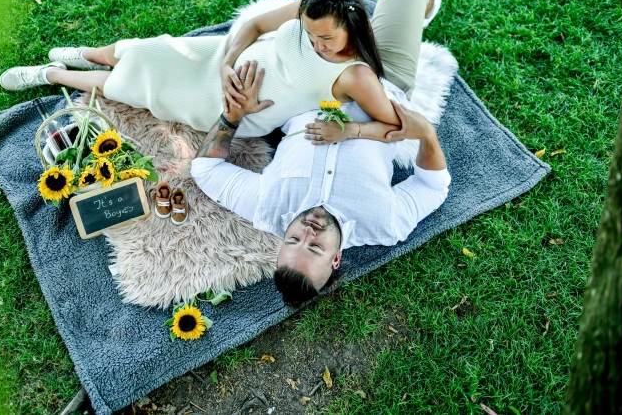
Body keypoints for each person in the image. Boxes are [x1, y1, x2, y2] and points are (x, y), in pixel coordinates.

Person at [0, 0, 442, 138]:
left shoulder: (359, 75)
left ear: (352, 28)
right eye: (309, 33)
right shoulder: (315, 16)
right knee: (143, 51)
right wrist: (227, 61)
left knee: (130, 87)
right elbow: (251, 27)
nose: (315, 44)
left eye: (325, 38)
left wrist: (346, 131)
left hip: (237, 109)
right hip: (218, 64)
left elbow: (398, 124)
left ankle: (50, 74)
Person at [191, 61, 450, 307]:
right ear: (336, 258)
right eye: (315, 247)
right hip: (386, 84)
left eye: (292, 239)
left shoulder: (265, 205)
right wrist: (427, 133)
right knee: (403, 13)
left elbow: (205, 169)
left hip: (312, 78)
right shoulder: (385, 223)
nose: (307, 232)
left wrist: (232, 117)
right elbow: (433, 187)